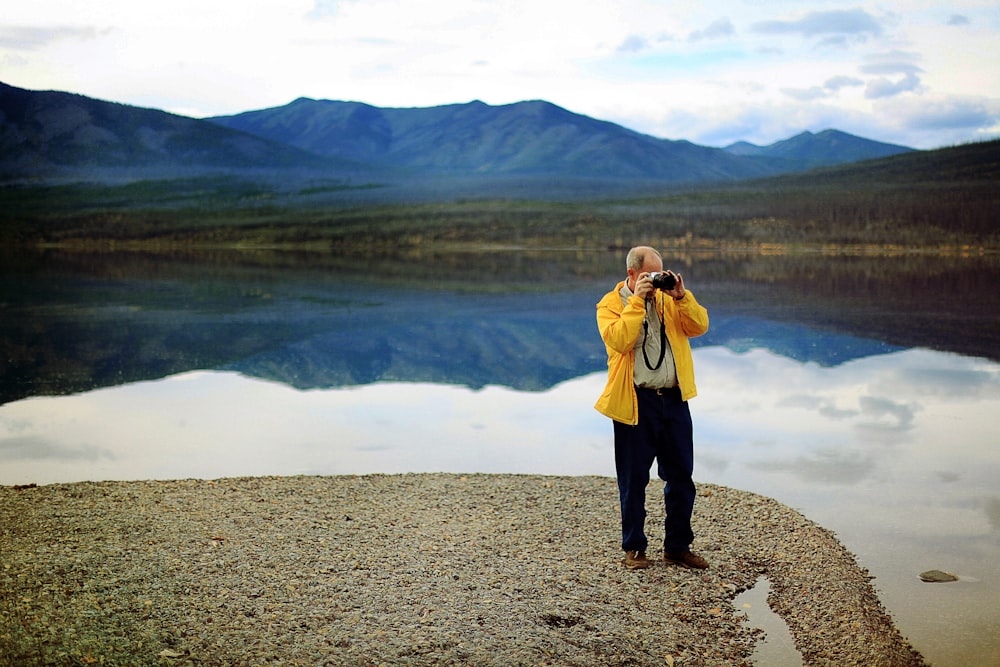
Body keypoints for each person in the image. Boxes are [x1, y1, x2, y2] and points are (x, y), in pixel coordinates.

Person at [594, 246, 710, 570]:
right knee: (633, 480)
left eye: (661, 272)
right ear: (632, 274)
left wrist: (682, 296)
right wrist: (637, 302)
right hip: (635, 401)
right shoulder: (609, 304)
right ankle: (634, 549)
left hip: (674, 399)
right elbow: (619, 340)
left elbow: (700, 326)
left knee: (681, 477)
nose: (657, 279)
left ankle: (677, 547)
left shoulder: (668, 299)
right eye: (651, 274)